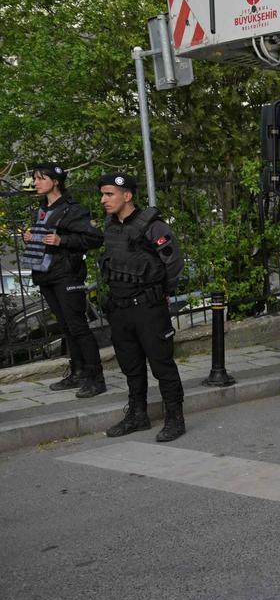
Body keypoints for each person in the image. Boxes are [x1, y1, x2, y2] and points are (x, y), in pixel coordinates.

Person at [96, 172, 187, 442]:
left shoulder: (153, 226)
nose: (103, 199)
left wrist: (162, 293)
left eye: (109, 194)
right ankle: (137, 416)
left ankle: (175, 418)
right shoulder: (110, 227)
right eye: (102, 194)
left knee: (162, 365)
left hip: (148, 308)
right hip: (119, 309)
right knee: (131, 366)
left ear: (127, 195)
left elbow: (174, 263)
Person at [20, 163, 106, 398]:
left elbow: (93, 238)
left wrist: (62, 241)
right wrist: (32, 237)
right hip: (46, 274)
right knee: (67, 326)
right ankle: (78, 372)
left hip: (67, 274)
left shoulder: (72, 209)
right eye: (34, 178)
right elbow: (47, 238)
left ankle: (96, 378)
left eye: (39, 178)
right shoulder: (41, 209)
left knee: (78, 326)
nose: (35, 183)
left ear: (55, 181)